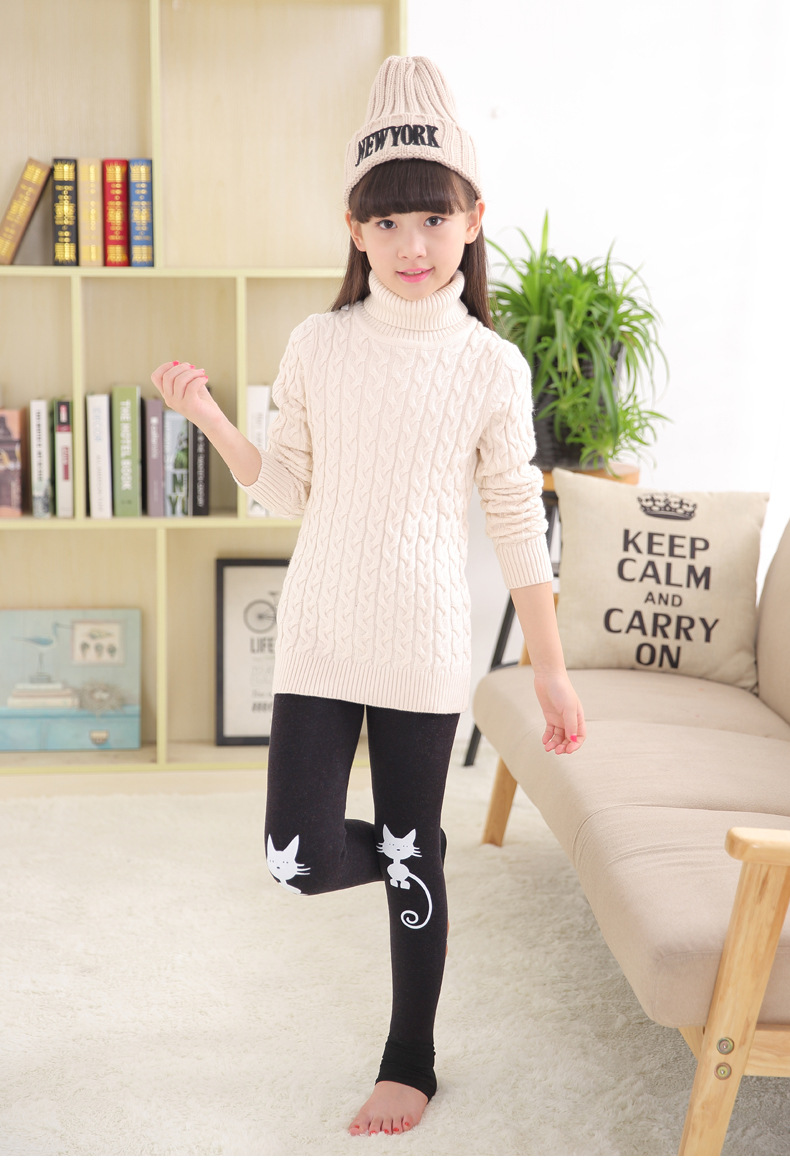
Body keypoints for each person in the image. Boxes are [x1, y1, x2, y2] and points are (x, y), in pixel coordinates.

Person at [151, 55, 586, 1138]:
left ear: (472, 220)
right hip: (321, 633)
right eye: (387, 221)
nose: (411, 243)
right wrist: (211, 418)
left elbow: (514, 516)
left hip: (423, 643)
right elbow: (288, 489)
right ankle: (409, 860)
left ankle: (409, 1061)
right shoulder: (318, 343)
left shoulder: (489, 365)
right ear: (354, 228)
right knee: (294, 857)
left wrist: (548, 666)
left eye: (433, 218)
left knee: (410, 844)